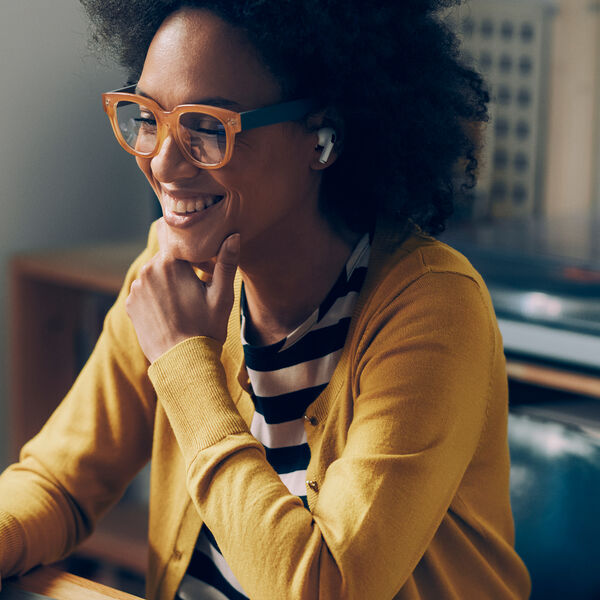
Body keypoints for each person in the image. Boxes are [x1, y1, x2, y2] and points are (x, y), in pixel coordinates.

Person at [0, 1, 531, 598]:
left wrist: (184, 365)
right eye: (148, 116)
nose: (162, 161)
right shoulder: (170, 271)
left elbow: (324, 587)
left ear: (321, 138)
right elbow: (58, 482)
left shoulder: (432, 307)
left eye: (206, 126)